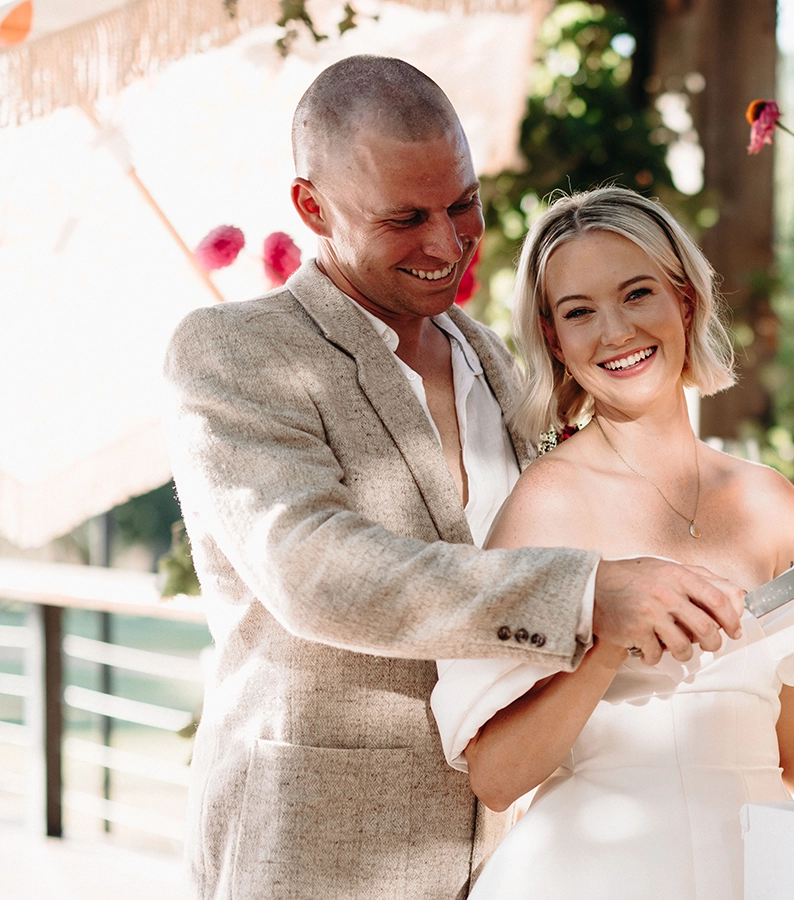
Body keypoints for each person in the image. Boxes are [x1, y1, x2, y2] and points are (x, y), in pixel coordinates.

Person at [163, 57, 747, 900]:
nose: (446, 244)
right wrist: (587, 596)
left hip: (515, 855)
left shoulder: (494, 361)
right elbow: (313, 568)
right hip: (314, 850)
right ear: (312, 208)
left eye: (463, 204)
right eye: (403, 218)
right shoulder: (232, 351)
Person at [429, 186, 794, 900]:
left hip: (761, 874)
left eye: (637, 294)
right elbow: (496, 777)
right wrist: (604, 646)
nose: (615, 332)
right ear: (555, 340)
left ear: (684, 300)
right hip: (594, 877)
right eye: (579, 312)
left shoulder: (770, 503)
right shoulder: (546, 505)